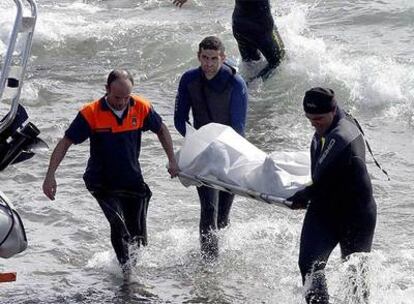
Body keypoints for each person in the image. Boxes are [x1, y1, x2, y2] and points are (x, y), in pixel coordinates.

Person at [42, 69, 179, 271]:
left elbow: (161, 129)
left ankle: (134, 271)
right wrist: (50, 175)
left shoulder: (141, 106)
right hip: (101, 182)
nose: (122, 102)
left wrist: (172, 159)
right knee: (118, 223)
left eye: (126, 97)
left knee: (138, 237)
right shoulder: (91, 113)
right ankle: (126, 276)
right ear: (106, 89)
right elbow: (66, 142)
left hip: (132, 179)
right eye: (117, 97)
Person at [287, 87, 377, 303]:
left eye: (318, 118)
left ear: (333, 110)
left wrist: (303, 195)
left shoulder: (341, 135)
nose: (314, 124)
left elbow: (323, 181)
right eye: (309, 119)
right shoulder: (327, 124)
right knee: (309, 265)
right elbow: (321, 180)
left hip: (356, 214)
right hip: (324, 210)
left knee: (355, 278)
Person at [174, 36, 248, 260]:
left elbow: (238, 127)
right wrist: (195, 141)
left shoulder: (236, 83)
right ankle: (208, 264)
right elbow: (179, 119)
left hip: (230, 152)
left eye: (213, 59)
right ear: (198, 57)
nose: (208, 63)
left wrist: (222, 150)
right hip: (202, 152)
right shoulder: (189, 79)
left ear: (223, 58)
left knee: (223, 216)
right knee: (208, 209)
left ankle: (219, 258)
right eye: (204, 58)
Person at [171, 0, 285, 83]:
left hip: (239, 26)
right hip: (261, 28)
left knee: (250, 63)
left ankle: (241, 85)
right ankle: (251, 85)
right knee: (278, 60)